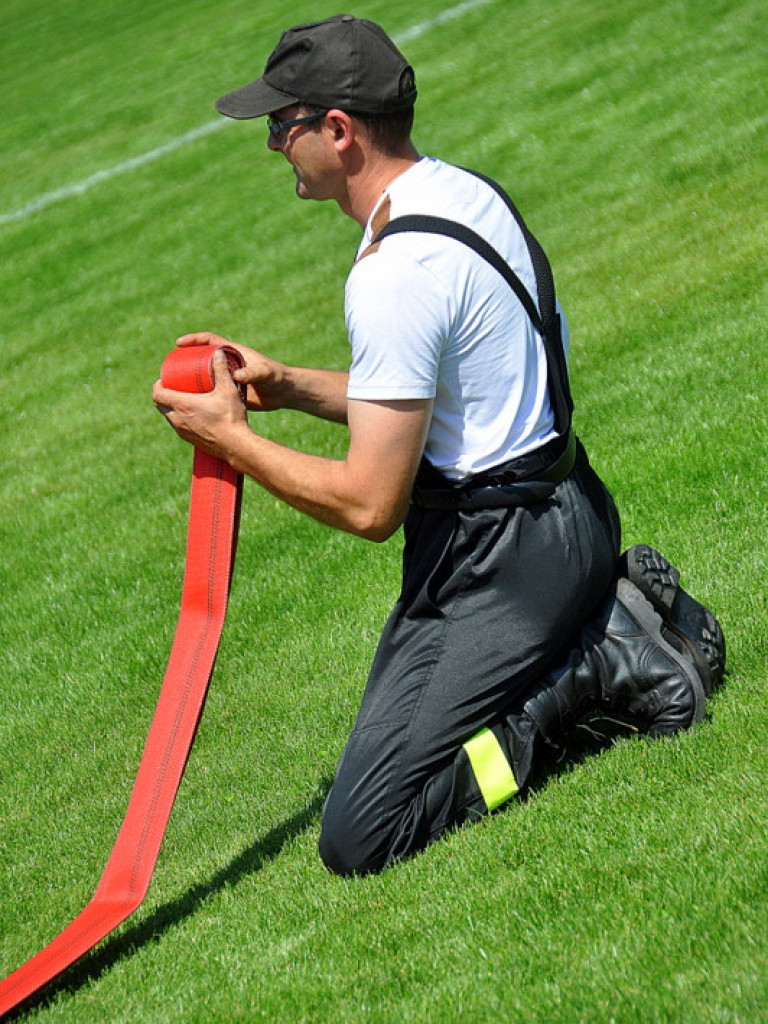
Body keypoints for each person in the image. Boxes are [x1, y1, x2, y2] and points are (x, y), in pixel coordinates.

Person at [153, 15, 725, 876]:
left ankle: (598, 671)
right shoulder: (460, 192)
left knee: (367, 833)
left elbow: (369, 504)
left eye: (284, 124)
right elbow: (439, 402)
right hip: (568, 511)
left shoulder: (395, 272)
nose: (274, 144)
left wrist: (228, 441)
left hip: (501, 565)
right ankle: (605, 615)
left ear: (338, 131)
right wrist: (291, 387)